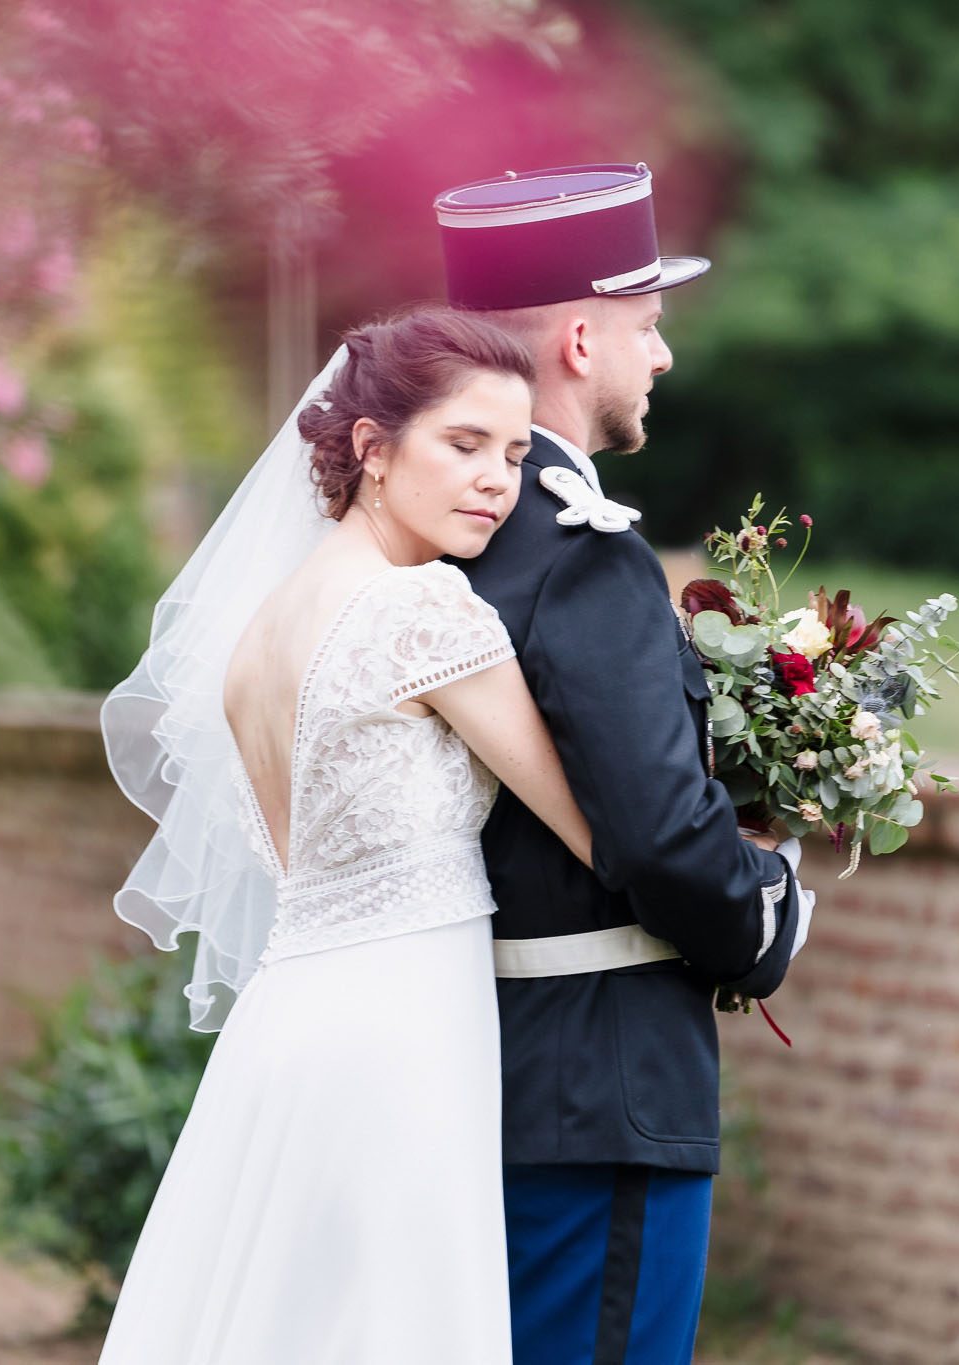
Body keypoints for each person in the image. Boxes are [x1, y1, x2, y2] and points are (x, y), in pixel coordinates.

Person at [95, 309, 590, 1362]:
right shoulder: (425, 613)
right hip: (399, 1034)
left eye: (512, 452)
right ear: (371, 447)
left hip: (287, 1028)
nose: (498, 481)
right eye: (462, 445)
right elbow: (594, 828)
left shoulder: (256, 635)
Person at [436, 163, 809, 1363]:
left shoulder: (427, 542)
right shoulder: (578, 552)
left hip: (473, 1066)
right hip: (601, 1093)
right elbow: (653, 832)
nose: (662, 358)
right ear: (582, 337)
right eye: (648, 328)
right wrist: (766, 917)